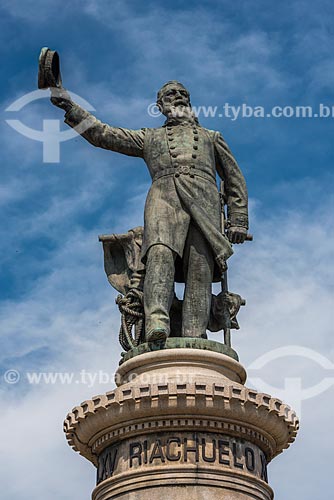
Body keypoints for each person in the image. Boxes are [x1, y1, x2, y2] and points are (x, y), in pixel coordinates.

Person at [50, 81, 248, 343]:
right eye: (170, 94)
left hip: (205, 205)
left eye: (182, 94)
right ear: (160, 106)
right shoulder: (149, 138)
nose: (177, 97)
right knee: (159, 254)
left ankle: (194, 334)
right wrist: (68, 104)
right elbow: (103, 134)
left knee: (199, 267)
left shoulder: (212, 137)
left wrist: (239, 221)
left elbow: (234, 180)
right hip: (163, 200)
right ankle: (157, 320)